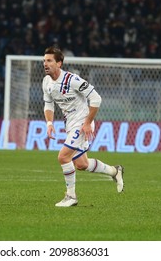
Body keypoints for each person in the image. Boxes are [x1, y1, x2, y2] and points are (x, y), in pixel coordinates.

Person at [42, 46, 124, 207]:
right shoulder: (46, 82)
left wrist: (87, 123)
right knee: (81, 164)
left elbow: (96, 99)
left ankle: (71, 197)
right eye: (44, 60)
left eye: (49, 60)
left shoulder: (72, 80)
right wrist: (49, 123)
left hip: (82, 123)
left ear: (59, 63)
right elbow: (48, 104)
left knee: (63, 157)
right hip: (70, 123)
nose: (45, 63)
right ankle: (115, 171)